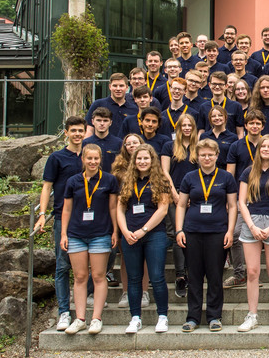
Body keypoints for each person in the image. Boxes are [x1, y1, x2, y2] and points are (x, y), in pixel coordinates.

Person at [175, 139, 237, 332]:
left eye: (210, 154)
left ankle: (214, 316)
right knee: (194, 276)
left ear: (217, 156)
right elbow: (181, 205)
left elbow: (233, 206)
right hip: (192, 231)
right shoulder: (190, 177)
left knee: (215, 275)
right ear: (197, 157)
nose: (207, 158)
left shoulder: (226, 177)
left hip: (218, 232)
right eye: (203, 155)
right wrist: (179, 230)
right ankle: (192, 317)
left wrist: (230, 231)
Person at [60, 144, 119, 335]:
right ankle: (80, 318)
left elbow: (113, 208)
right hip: (76, 234)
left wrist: (115, 231)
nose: (93, 162)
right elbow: (66, 209)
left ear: (101, 160)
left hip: (100, 233)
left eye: (96, 159)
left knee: (99, 276)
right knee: (79, 277)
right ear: (83, 159)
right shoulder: (73, 181)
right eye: (89, 158)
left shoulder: (109, 180)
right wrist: (63, 234)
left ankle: (96, 318)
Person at [236, 135, 269, 332]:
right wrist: (251, 226)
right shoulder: (248, 172)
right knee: (252, 272)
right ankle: (252, 315)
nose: (266, 149)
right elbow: (241, 202)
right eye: (263, 146)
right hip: (252, 221)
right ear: (258, 149)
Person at [35, 116, 85, 332]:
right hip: (61, 217)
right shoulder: (56, 157)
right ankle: (64, 311)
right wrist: (42, 214)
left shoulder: (90, 155)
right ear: (66, 132)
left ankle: (84, 303)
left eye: (80, 130)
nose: (77, 134)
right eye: (73, 130)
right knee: (63, 265)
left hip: (89, 217)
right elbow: (47, 187)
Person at [116, 144, 171, 334]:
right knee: (133, 279)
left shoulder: (160, 180)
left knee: (157, 277)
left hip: (154, 234)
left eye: (146, 158)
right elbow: (120, 209)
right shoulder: (127, 181)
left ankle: (162, 316)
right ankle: (135, 318)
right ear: (134, 160)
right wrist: (125, 231)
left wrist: (143, 230)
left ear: (152, 160)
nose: (142, 161)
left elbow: (163, 209)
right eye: (139, 158)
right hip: (130, 236)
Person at [224, 110, 266, 287]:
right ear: (246, 125)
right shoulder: (236, 146)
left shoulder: (268, 144)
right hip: (242, 196)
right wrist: (229, 198)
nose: (254, 126)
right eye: (251, 123)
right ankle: (240, 273)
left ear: (263, 126)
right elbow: (230, 174)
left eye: (258, 123)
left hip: (265, 196)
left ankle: (256, 274)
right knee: (235, 234)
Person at [160, 113, 199, 299]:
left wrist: (193, 194)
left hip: (195, 196)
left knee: (192, 234)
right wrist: (176, 195)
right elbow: (164, 172)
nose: (186, 128)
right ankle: (180, 275)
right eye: (183, 125)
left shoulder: (198, 147)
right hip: (174, 193)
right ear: (178, 127)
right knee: (177, 233)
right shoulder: (169, 146)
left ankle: (192, 272)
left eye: (189, 125)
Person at [85, 73, 139, 138]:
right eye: (115, 86)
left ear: (127, 88)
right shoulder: (98, 104)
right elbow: (89, 129)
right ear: (110, 87)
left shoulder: (134, 109)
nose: (118, 89)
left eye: (121, 86)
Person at [198, 71, 244, 137]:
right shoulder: (203, 107)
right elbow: (201, 131)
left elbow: (240, 132)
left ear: (226, 86)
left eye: (220, 84)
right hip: (208, 144)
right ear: (209, 85)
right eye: (214, 84)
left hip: (229, 145)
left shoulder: (236, 106)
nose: (217, 87)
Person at [83, 107, 122, 173]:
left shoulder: (119, 143)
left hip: (113, 181)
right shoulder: (85, 143)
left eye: (105, 121)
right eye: (98, 120)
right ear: (92, 122)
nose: (102, 123)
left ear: (110, 123)